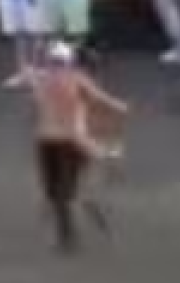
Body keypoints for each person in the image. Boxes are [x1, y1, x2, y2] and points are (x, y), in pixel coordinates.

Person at [28, 43, 126, 254]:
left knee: (58, 194)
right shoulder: (75, 80)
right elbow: (109, 104)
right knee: (69, 192)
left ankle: (68, 236)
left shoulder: (41, 80)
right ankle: (79, 232)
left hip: (49, 141)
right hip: (68, 141)